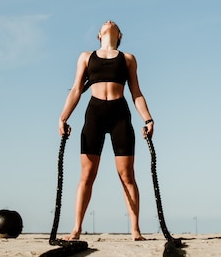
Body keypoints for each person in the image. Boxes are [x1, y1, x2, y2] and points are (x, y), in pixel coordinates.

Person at [58, 20, 154, 241]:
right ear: (99, 35)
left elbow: (136, 93)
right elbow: (75, 90)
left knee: (127, 175)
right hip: (95, 114)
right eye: (104, 23)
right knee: (87, 175)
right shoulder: (85, 56)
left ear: (118, 34)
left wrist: (148, 119)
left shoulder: (128, 58)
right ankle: (76, 229)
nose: (109, 21)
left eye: (114, 24)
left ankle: (135, 229)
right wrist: (63, 118)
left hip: (120, 114)